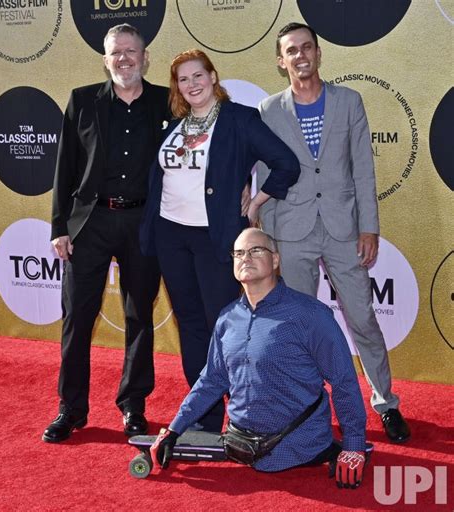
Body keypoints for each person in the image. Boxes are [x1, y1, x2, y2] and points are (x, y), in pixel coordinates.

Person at [256, 22, 410, 443]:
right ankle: (308, 408)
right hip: (291, 230)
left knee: (363, 319)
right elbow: (265, 174)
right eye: (292, 50)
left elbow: (363, 168)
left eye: (307, 47)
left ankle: (385, 403)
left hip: (344, 230)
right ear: (280, 60)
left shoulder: (349, 102)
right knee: (300, 325)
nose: (301, 55)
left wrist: (369, 227)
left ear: (319, 53)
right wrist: (266, 237)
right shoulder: (268, 110)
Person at [140, 49, 300, 433]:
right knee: (192, 324)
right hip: (170, 235)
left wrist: (257, 198)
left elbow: (286, 163)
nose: (191, 84)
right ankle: (207, 417)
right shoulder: (173, 125)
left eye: (198, 76)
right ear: (176, 86)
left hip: (215, 239)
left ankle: (249, 413)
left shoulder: (239, 120)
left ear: (213, 77)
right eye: (183, 79)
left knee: (224, 325)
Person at [151, 228, 369, 489]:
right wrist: (174, 429)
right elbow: (211, 380)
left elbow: (343, 380)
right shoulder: (227, 318)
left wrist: (354, 445)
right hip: (239, 446)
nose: (246, 257)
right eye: (239, 253)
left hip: (300, 449)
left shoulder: (311, 315)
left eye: (256, 250)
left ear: (275, 260)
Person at [42, 24, 170, 443]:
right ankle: (71, 409)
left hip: (145, 224)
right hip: (90, 224)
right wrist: (60, 227)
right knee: (77, 319)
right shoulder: (82, 101)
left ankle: (134, 405)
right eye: (117, 52)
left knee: (139, 318)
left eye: (132, 51)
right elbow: (64, 169)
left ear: (145, 56)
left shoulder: (165, 101)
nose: (124, 59)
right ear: (105, 58)